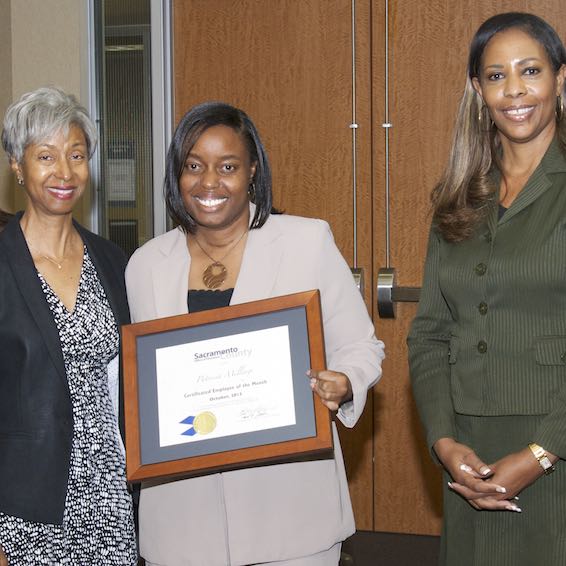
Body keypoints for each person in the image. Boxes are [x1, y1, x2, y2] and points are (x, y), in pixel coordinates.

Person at [125, 100, 384, 566]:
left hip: (291, 512)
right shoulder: (144, 265)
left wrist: (343, 382)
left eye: (227, 166)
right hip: (184, 521)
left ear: (252, 171)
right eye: (193, 166)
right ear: (175, 174)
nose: (209, 182)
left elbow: (361, 346)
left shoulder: (307, 241)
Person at [408, 12, 566, 566]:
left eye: (531, 71)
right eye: (496, 76)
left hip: (555, 444)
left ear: (560, 79)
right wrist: (444, 443)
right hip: (469, 457)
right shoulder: (459, 195)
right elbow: (429, 333)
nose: (515, 90)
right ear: (478, 90)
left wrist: (542, 453)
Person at [0, 87, 137, 565]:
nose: (64, 171)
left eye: (76, 155)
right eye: (46, 156)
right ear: (18, 166)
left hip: (108, 495)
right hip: (21, 507)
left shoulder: (113, 261)